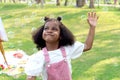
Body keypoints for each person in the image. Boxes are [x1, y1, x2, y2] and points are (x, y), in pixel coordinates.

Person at [25, 12, 99, 80]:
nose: (49, 31)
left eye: (54, 29)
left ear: (61, 36)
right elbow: (31, 77)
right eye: (46, 28)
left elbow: (87, 46)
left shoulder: (67, 49)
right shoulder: (39, 57)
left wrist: (92, 27)